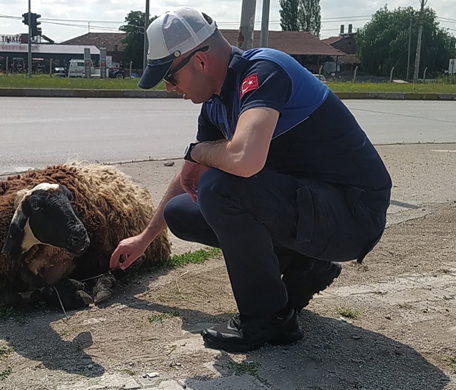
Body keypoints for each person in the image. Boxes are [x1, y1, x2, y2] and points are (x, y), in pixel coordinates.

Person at [108, 7, 392, 353]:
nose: (169, 88)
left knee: (219, 189)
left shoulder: (264, 71)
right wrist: (145, 237)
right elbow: (193, 173)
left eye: (170, 76)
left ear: (199, 61)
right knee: (180, 211)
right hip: (315, 211)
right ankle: (306, 265)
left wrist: (197, 153)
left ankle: (268, 317)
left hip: (354, 215)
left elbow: (243, 160)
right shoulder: (215, 103)